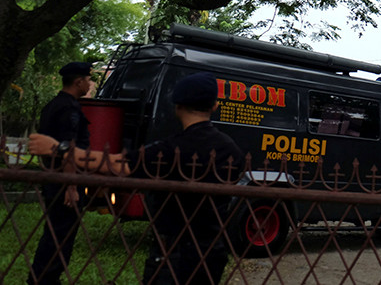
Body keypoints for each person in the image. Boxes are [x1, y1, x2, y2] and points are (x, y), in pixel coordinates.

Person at [29, 72, 244, 285]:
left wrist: (59, 149)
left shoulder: (170, 149)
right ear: (215, 106)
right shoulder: (232, 150)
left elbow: (114, 165)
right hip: (211, 250)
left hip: (173, 252)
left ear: (177, 106)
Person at [29, 61, 93, 285]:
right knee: (61, 235)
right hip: (64, 181)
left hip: (52, 177)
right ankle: (47, 278)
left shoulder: (53, 105)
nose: (90, 83)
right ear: (78, 82)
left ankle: (43, 276)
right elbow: (69, 148)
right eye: (88, 79)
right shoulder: (69, 108)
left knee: (55, 232)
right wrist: (72, 185)